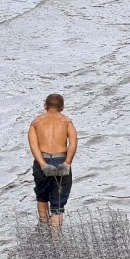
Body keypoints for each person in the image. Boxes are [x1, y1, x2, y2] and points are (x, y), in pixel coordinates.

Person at [27, 93, 78, 228]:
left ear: (45, 106)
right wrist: (67, 162)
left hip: (41, 160)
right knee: (58, 206)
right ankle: (55, 242)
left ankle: (44, 231)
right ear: (62, 107)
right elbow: (73, 143)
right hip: (61, 160)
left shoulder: (35, 123)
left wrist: (43, 164)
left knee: (42, 196)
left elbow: (33, 145)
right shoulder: (67, 122)